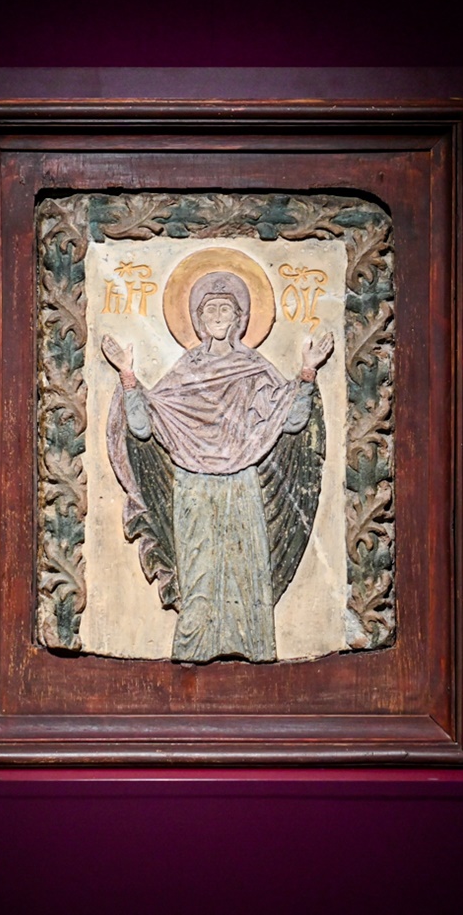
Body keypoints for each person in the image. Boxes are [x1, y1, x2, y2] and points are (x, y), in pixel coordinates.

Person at [103, 268, 332, 662]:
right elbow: (141, 427)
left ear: (240, 318)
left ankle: (254, 649)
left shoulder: (255, 369)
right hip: (194, 485)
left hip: (241, 483)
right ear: (198, 320)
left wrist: (307, 372)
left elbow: (292, 422)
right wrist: (127, 376)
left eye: (226, 309)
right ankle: (194, 648)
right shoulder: (186, 371)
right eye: (210, 310)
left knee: (247, 571)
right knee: (199, 572)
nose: (218, 317)